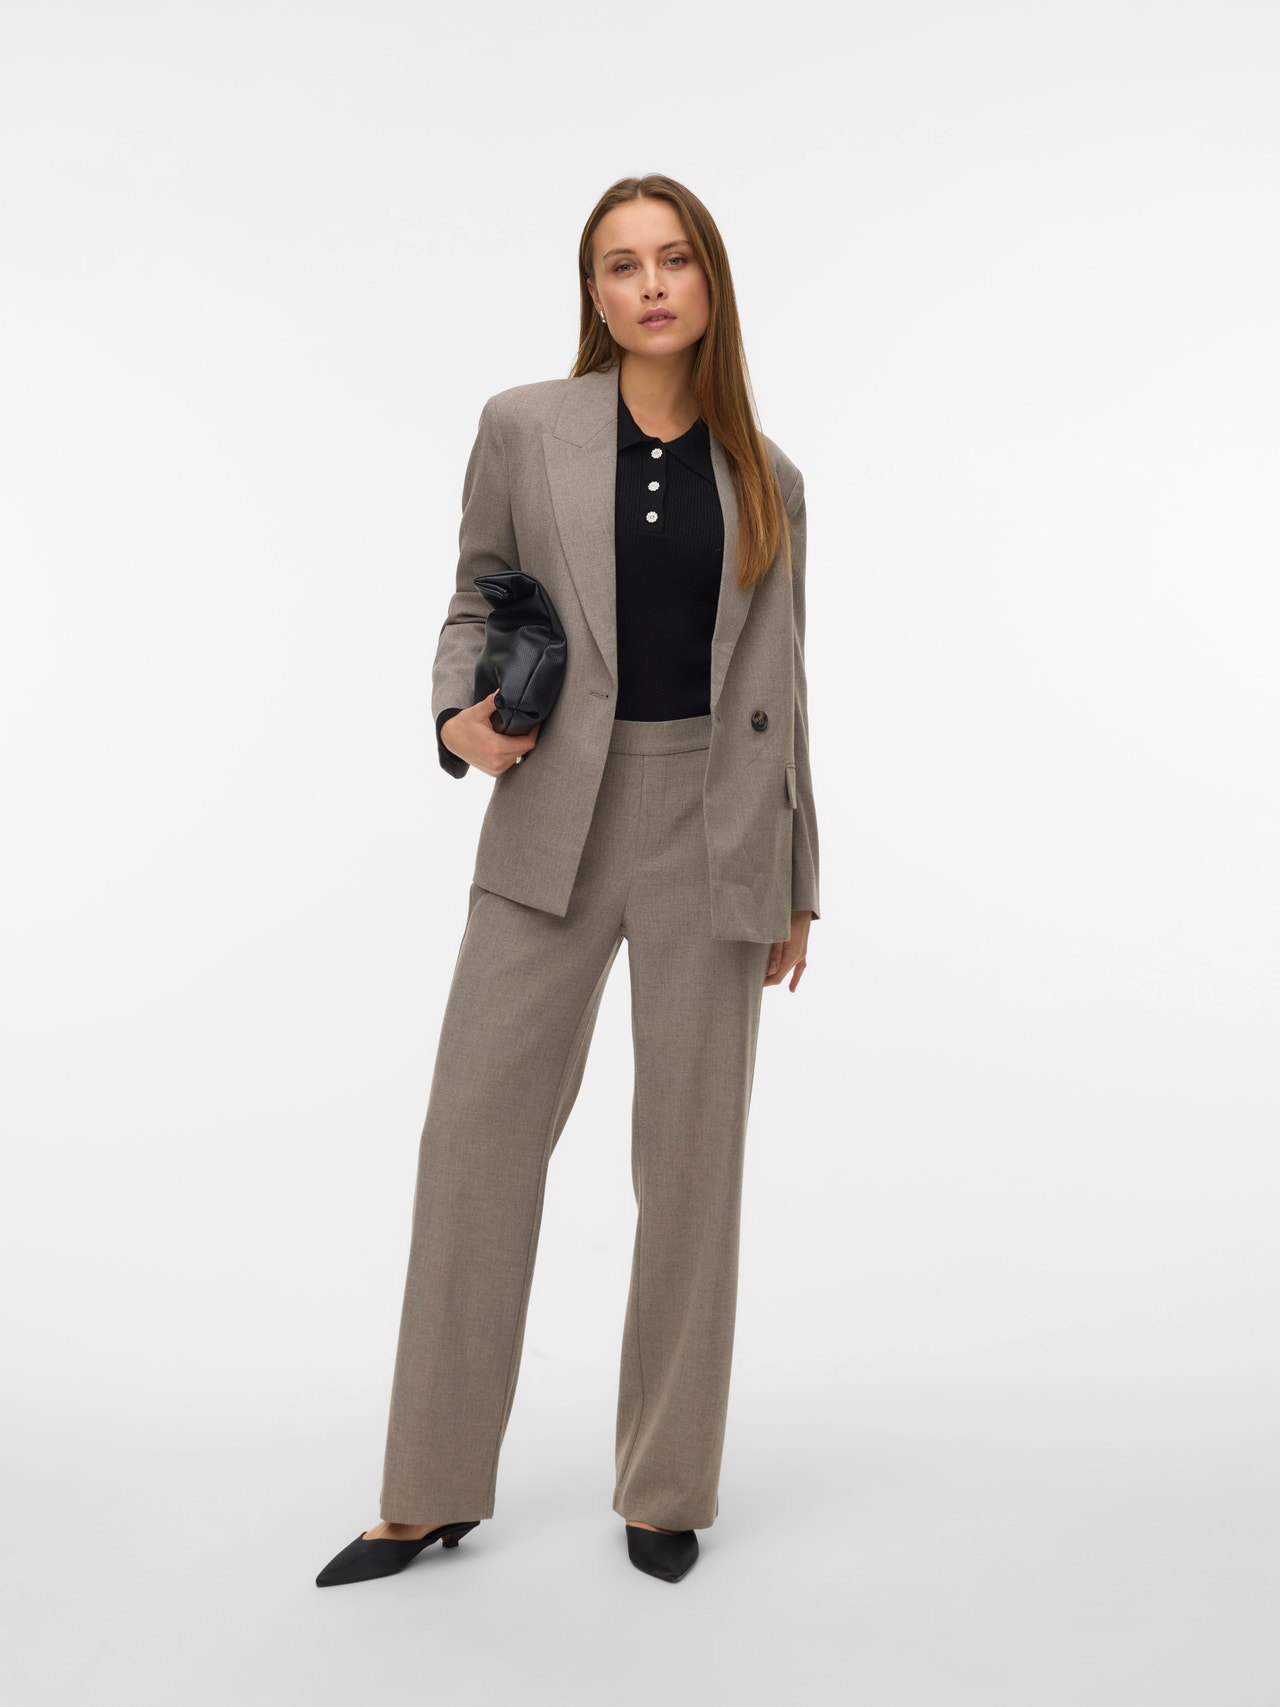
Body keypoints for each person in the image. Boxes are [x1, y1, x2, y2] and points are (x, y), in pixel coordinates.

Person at [316, 172, 820, 1590]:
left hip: (716, 826)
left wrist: (798, 877)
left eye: (674, 259)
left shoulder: (770, 478)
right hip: (552, 812)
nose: (650, 285)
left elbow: (786, 687)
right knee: (472, 1144)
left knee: (691, 1165)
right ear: (593, 291)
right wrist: (455, 719)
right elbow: (473, 593)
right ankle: (426, 1491)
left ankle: (665, 1488)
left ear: (711, 281)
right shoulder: (525, 426)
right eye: (621, 264)